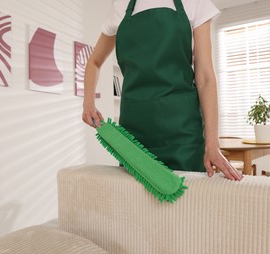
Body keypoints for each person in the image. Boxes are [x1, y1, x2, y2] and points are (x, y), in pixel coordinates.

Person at [82, 0, 243, 181]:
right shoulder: (121, 5)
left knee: (188, 203)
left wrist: (212, 144)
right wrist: (88, 103)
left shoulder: (195, 2)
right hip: (134, 136)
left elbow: (205, 77)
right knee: (135, 204)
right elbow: (94, 62)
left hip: (182, 133)